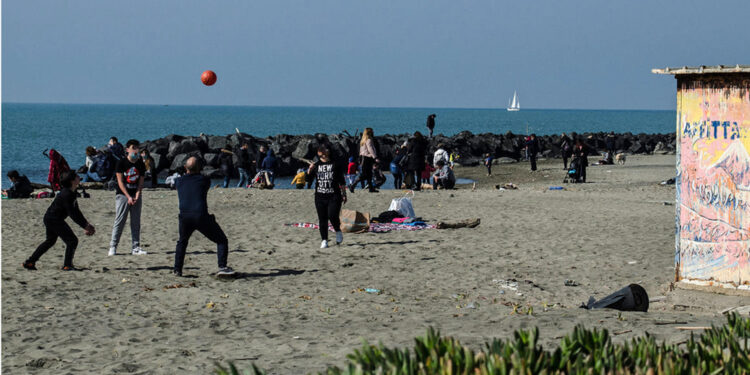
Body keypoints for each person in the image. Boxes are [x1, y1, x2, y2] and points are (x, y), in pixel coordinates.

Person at [173, 157, 235, 277]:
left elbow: (182, 182)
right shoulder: (204, 180)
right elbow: (202, 180)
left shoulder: (179, 181)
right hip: (200, 215)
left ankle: (177, 269)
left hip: (184, 215)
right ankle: (222, 266)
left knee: (182, 242)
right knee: (222, 240)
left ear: (186, 168)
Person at [23, 171, 95, 271]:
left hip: (52, 218)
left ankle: (30, 262)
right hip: (53, 219)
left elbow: (76, 211)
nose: (79, 177)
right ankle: (67, 265)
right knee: (72, 241)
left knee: (50, 241)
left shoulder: (72, 192)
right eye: (77, 177)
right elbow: (72, 213)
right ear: (72, 181)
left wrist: (86, 224)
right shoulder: (66, 194)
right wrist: (85, 226)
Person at [109, 139, 147, 256]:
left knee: (136, 222)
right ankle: (113, 246)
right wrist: (128, 197)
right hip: (122, 195)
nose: (135, 150)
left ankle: (135, 247)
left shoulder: (140, 164)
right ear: (127, 150)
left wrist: (136, 195)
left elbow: (141, 182)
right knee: (120, 220)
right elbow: (120, 182)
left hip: (135, 194)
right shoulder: (121, 163)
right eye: (133, 148)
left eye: (137, 148)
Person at [306, 146, 347, 249]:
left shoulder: (335, 164)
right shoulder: (316, 165)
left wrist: (344, 194)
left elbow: (341, 181)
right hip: (320, 196)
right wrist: (309, 170)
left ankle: (338, 231)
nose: (322, 153)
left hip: (334, 195)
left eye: (324, 150)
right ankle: (324, 240)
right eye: (320, 151)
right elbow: (307, 180)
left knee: (332, 215)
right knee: (322, 219)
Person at [349, 127, 378, 193]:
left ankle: (371, 188)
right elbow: (370, 149)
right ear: (369, 132)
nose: (373, 132)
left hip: (363, 158)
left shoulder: (363, 140)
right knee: (364, 175)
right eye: (372, 131)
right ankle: (352, 185)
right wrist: (375, 157)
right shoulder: (369, 140)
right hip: (366, 158)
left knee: (369, 174)